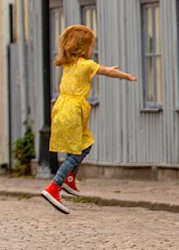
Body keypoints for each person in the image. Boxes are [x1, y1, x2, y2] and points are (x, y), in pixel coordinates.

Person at [41, 25, 136, 214]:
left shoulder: (68, 63)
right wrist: (125, 76)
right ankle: (54, 187)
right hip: (73, 111)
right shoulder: (86, 65)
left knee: (84, 144)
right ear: (84, 48)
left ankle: (69, 179)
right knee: (78, 150)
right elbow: (106, 72)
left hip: (61, 108)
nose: (93, 50)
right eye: (92, 47)